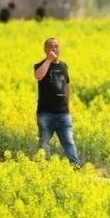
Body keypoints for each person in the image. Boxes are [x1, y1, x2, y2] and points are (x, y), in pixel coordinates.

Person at [34, 37, 81, 167]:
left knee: (69, 141)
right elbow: (38, 76)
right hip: (45, 113)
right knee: (44, 143)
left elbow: (67, 85)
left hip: (63, 113)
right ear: (45, 49)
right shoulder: (40, 65)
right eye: (51, 46)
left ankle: (75, 166)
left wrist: (67, 104)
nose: (54, 49)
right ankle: (43, 166)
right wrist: (49, 60)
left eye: (56, 46)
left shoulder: (64, 66)